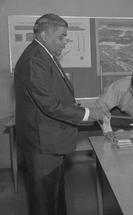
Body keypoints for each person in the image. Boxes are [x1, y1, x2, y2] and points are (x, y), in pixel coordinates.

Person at [14, 14, 109, 215]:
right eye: (61, 37)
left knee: (54, 196)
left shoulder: (44, 54)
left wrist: (73, 104)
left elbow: (51, 94)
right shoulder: (34, 60)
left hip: (50, 140)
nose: (65, 42)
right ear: (43, 35)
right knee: (44, 202)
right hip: (43, 144)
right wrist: (88, 113)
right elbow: (48, 104)